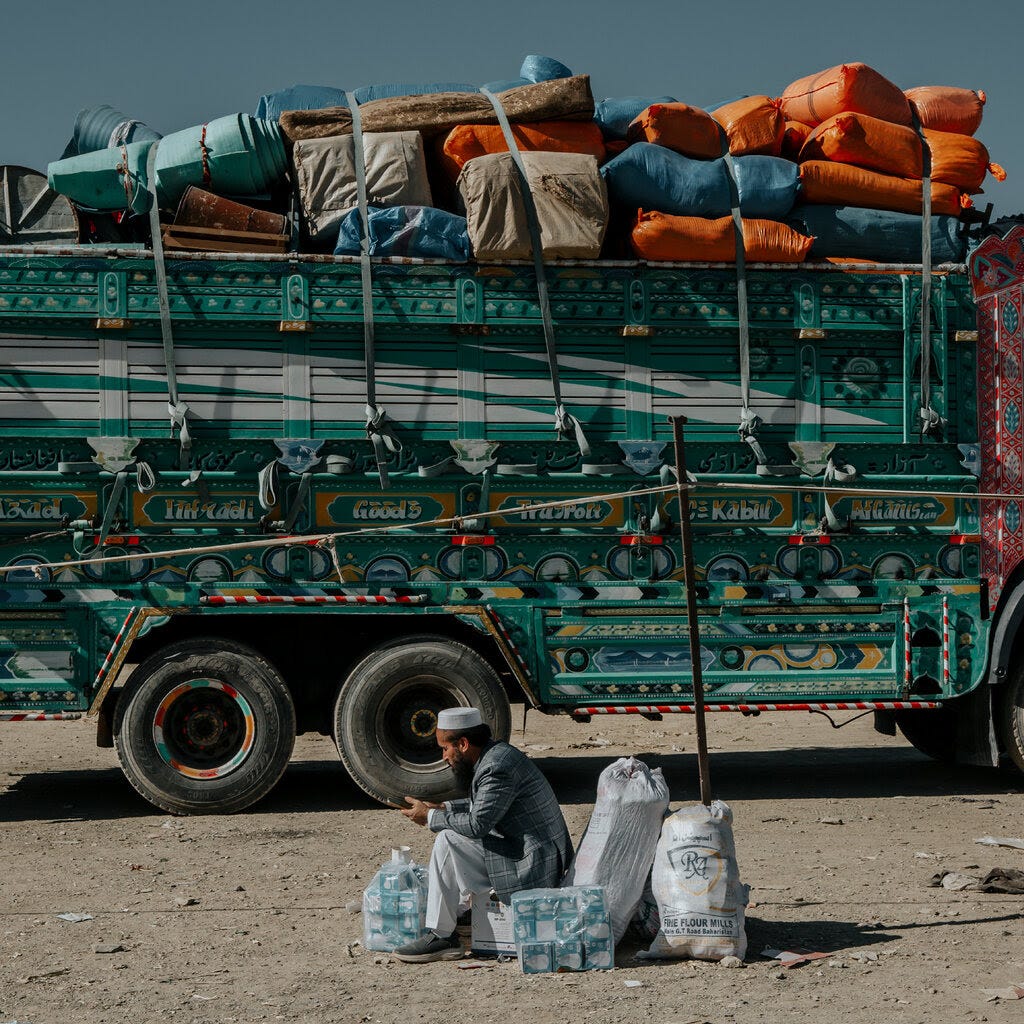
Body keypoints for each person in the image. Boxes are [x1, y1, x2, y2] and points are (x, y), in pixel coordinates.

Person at [394, 706, 572, 963]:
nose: (444, 757)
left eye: (445, 748)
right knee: (452, 837)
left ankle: (442, 935)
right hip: (529, 851)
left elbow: (479, 824)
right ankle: (452, 921)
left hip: (532, 866)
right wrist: (444, 807)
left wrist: (431, 818)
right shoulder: (495, 755)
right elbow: (488, 804)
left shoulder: (496, 768)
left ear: (463, 743)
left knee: (448, 840)